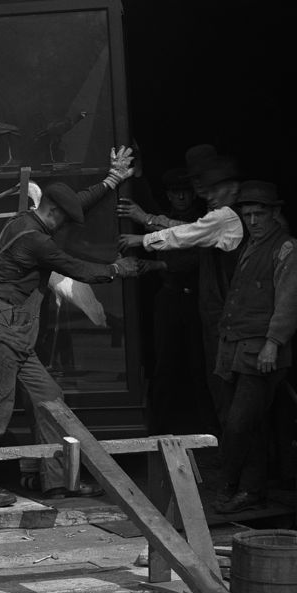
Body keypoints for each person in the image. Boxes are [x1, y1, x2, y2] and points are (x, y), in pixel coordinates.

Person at [0, 149, 140, 509]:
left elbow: (74, 202)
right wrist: (118, 270)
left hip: (15, 332)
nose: (65, 225)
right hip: (2, 329)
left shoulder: (26, 218)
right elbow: (78, 269)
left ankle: (56, 482)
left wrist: (111, 181)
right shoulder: (36, 240)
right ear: (52, 212)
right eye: (64, 220)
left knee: (49, 399)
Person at [119, 153, 244, 421]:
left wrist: (144, 239)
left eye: (210, 188)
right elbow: (182, 229)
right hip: (194, 303)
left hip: (216, 308)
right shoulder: (217, 214)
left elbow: (186, 235)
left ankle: (219, 439)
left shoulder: (224, 217)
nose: (203, 194)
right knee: (175, 366)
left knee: (210, 373)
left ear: (232, 189)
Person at [211, 181, 297, 513]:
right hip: (233, 348)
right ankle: (250, 489)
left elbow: (290, 301)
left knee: (240, 423)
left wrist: (273, 344)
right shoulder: (249, 246)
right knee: (243, 422)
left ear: (275, 213)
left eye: (259, 214)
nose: (253, 221)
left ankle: (231, 484)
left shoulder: (286, 249)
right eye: (248, 214)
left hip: (260, 352)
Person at [122, 167, 215, 436]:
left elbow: (196, 254)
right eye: (176, 193)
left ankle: (210, 429)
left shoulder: (203, 220)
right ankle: (158, 430)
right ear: (169, 196)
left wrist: (157, 264)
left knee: (200, 366)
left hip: (195, 298)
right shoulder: (166, 218)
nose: (182, 198)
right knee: (164, 364)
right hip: (169, 295)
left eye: (186, 192)